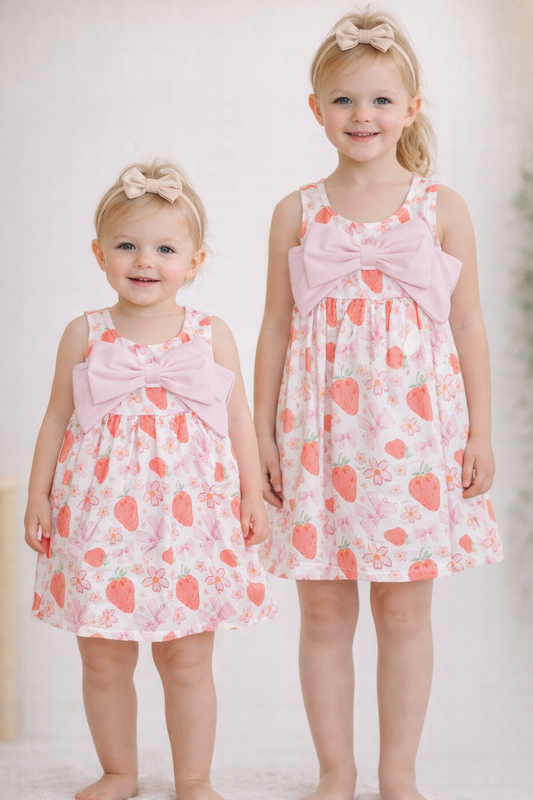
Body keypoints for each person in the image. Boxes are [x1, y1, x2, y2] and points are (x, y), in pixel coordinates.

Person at [255, 7, 503, 800]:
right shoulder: (295, 212)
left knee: (402, 613)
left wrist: (481, 434)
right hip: (317, 437)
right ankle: (337, 771)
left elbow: (467, 324)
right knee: (324, 615)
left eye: (379, 100)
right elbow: (273, 327)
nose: (361, 116)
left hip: (413, 438)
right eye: (342, 100)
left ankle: (398, 773)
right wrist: (259, 436)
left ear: (411, 106)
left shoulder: (440, 207)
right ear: (315, 108)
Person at [25, 161, 276, 800]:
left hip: (191, 518)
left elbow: (240, 420)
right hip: (99, 515)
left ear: (194, 261)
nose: (146, 261)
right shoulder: (84, 333)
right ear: (100, 254)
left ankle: (193, 778)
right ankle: (119, 771)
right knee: (104, 657)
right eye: (128, 245)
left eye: (166, 248)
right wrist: (37, 497)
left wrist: (253, 493)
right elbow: (56, 417)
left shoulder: (211, 334)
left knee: (185, 657)